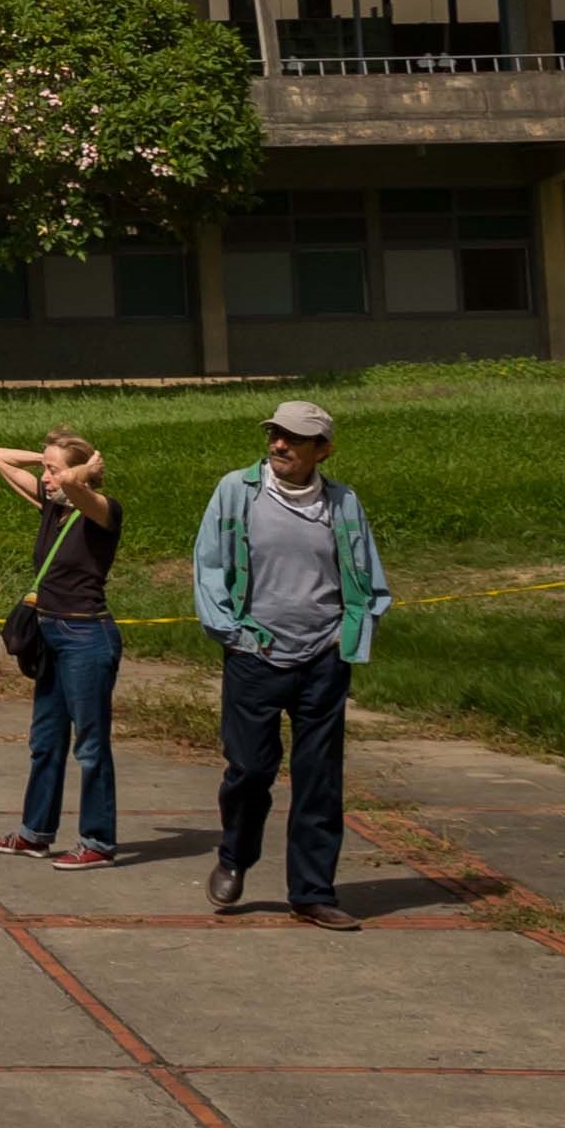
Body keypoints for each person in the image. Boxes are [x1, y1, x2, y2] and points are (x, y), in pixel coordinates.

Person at [190, 398, 391, 931]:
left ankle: (313, 893)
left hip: (324, 658)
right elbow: (209, 566)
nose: (279, 445)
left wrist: (355, 628)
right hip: (254, 656)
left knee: (319, 779)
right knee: (251, 770)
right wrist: (233, 634)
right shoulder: (237, 491)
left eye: (294, 439)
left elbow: (369, 575)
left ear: (322, 450)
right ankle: (235, 856)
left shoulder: (343, 503)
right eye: (275, 435)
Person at [0, 430, 124, 871]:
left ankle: (98, 841)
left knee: (90, 744)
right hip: (50, 635)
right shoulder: (54, 508)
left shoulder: (101, 512)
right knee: (45, 740)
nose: (45, 477)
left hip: (86, 638)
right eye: (43, 468)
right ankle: (36, 834)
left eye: (51, 469)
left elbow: (78, 489)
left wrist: (77, 473)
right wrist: (53, 460)